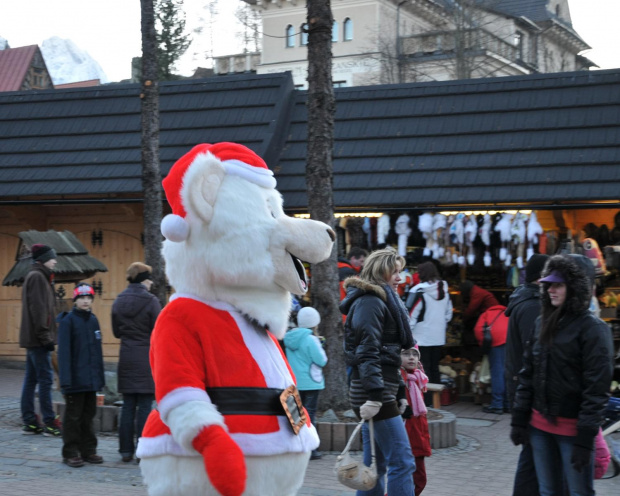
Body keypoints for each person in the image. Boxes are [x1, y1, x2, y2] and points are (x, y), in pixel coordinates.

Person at [511, 254, 614, 496]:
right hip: (539, 428)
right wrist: (519, 417)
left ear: (575, 288)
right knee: (548, 491)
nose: (550, 290)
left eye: (558, 285)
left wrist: (585, 438)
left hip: (572, 432)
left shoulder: (594, 330)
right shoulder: (541, 322)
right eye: (548, 285)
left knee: (579, 492)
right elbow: (528, 373)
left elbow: (596, 389)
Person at [341, 248, 416, 496]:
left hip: (380, 388)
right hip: (374, 391)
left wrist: (400, 390)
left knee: (377, 464)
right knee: (402, 462)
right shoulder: (371, 301)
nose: (399, 277)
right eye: (394, 271)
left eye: (400, 271)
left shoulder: (382, 299)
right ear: (380, 271)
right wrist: (375, 395)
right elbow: (367, 351)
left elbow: (386, 354)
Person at [504, 253, 548, 496]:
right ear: (542, 278)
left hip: (524, 389)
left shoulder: (528, 302)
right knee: (532, 456)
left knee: (533, 456)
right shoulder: (532, 307)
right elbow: (535, 355)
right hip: (527, 392)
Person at [112, 262, 161, 463]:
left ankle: (125, 451)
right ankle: (143, 449)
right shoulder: (151, 301)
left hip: (126, 357)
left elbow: (116, 332)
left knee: (127, 406)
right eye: (149, 279)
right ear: (144, 280)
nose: (151, 283)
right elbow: (159, 331)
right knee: (144, 406)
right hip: (146, 358)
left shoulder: (118, 300)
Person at [57, 283, 105, 467]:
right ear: (75, 300)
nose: (85, 301)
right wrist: (66, 381)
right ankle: (70, 452)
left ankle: (88, 450)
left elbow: (97, 352)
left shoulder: (93, 320)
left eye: (88, 298)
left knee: (88, 415)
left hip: (91, 380)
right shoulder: (68, 321)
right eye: (81, 298)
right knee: (73, 417)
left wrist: (99, 378)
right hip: (75, 380)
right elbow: (64, 354)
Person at [19, 243, 61, 436]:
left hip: (34, 339)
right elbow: (39, 311)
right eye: (53, 257)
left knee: (31, 379)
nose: (55, 261)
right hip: (38, 339)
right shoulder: (37, 277)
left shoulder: (40, 276)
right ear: (43, 260)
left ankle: (29, 420)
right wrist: (46, 337)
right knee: (44, 380)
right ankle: (49, 421)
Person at [283, 306, 327, 460]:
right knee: (310, 415)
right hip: (311, 382)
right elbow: (322, 360)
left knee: (296, 416)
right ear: (315, 323)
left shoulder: (288, 338)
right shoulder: (311, 339)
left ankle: (298, 447)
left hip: (294, 382)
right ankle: (312, 449)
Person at [406, 261, 452, 405]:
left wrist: (407, 334)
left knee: (422, 369)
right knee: (434, 367)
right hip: (438, 337)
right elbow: (448, 315)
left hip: (421, 337)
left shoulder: (418, 291)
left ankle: (424, 401)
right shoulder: (444, 290)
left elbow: (411, 315)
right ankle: (435, 400)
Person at [400, 347, 431, 496]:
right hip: (405, 438)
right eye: (406, 354)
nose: (411, 358)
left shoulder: (419, 378)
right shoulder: (400, 379)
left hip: (418, 436)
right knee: (410, 481)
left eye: (415, 354)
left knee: (419, 480)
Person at [474, 303, 510, 414]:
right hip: (510, 343)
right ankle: (508, 404)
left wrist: (483, 345)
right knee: (508, 373)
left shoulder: (486, 314)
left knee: (497, 373)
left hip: (495, 344)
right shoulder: (508, 313)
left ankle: (497, 404)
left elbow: (478, 329)